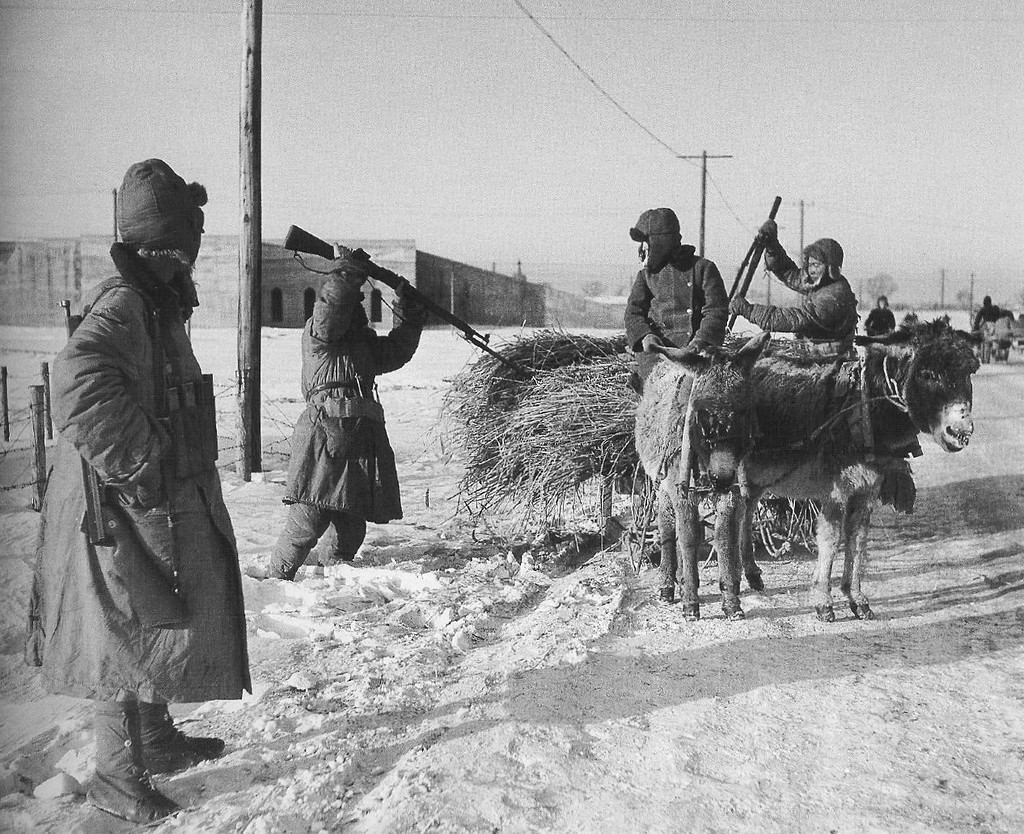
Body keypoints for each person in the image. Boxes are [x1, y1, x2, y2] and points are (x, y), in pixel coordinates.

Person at [25, 159, 250, 823]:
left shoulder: (153, 301)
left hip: (141, 503)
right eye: (187, 243)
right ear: (171, 244)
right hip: (117, 508)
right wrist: (147, 465)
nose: (193, 257)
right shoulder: (127, 303)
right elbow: (78, 383)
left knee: (154, 619)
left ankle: (155, 739)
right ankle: (117, 783)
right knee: (119, 639)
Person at [265, 259, 427, 580]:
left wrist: (408, 307)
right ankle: (276, 580)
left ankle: (334, 572)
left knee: (352, 523)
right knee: (307, 520)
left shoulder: (363, 348)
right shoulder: (319, 336)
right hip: (324, 435)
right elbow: (330, 311)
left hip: (359, 440)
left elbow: (399, 349)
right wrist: (346, 275)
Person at [623, 207, 728, 382]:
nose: (641, 249)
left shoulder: (703, 269)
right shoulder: (646, 276)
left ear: (660, 242)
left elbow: (716, 311)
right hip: (657, 356)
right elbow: (633, 313)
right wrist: (646, 336)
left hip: (697, 356)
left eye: (645, 242)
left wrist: (700, 343)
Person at [728, 220, 858, 354]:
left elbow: (794, 319)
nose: (811, 270)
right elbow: (791, 274)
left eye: (816, 265)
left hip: (831, 358)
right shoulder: (821, 281)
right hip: (812, 351)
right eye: (810, 264)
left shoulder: (834, 295)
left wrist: (749, 311)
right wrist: (772, 247)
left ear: (831, 268)